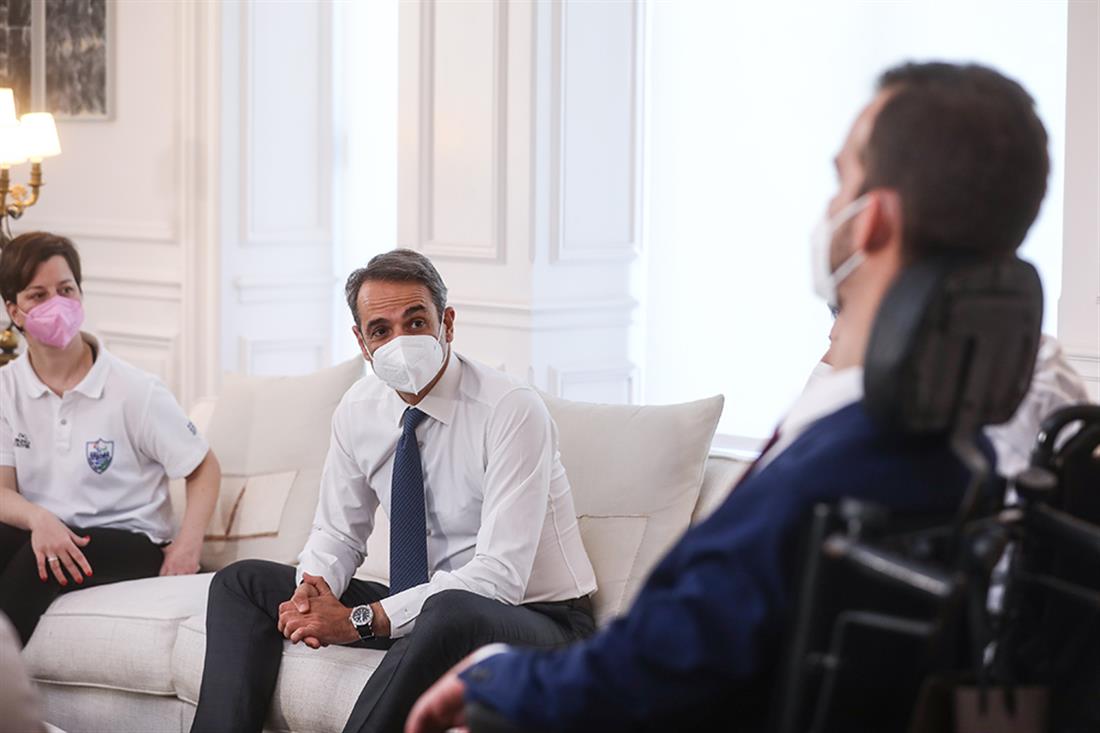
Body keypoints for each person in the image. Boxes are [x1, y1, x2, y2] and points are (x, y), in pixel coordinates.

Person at [407, 61, 1053, 733]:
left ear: (874, 222)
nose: (829, 207)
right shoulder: (963, 457)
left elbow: (651, 670)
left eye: (843, 180)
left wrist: (496, 675)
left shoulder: (839, 464)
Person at [189, 249, 598, 733]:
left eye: (416, 322)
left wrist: (358, 620)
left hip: (539, 620)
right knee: (241, 582)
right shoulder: (358, 409)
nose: (400, 341)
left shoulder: (510, 409)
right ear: (362, 343)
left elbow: (499, 578)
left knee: (447, 610)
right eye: (381, 330)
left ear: (447, 323)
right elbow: (338, 532)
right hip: (425, 606)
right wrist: (312, 590)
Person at [0, 231, 221, 645]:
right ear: (15, 311)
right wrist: (40, 519)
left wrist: (187, 547)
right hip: (50, 529)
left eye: (66, 290)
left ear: (80, 295)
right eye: (38, 296)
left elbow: (203, 467)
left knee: (39, 559)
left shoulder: (134, 390)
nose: (56, 304)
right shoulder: (6, 389)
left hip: (129, 539)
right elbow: (2, 491)